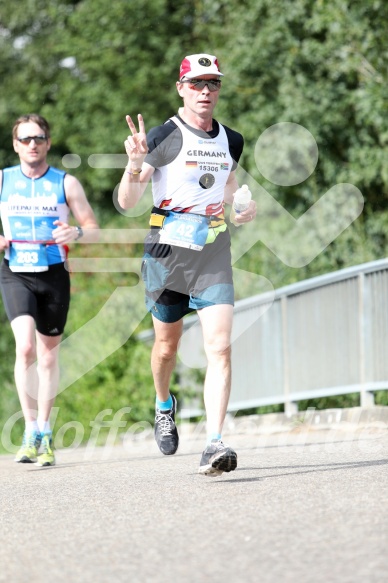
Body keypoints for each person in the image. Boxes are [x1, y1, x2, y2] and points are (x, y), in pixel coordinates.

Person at [118, 54, 256, 476]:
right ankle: (164, 404)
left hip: (212, 250)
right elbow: (126, 203)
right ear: (181, 88)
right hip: (166, 252)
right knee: (166, 347)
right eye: (197, 84)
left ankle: (214, 443)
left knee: (220, 346)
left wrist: (243, 206)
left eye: (212, 83)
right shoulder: (163, 136)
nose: (205, 92)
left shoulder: (231, 140)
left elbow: (229, 186)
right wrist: (135, 163)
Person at [0, 113, 99, 466]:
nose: (32, 144)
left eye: (38, 138)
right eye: (25, 139)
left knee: (48, 356)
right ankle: (29, 431)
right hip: (16, 270)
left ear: (48, 142)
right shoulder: (2, 180)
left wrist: (77, 233)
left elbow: (93, 227)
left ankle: (44, 430)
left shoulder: (65, 182)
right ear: (15, 145)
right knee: (24, 347)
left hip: (54, 272)